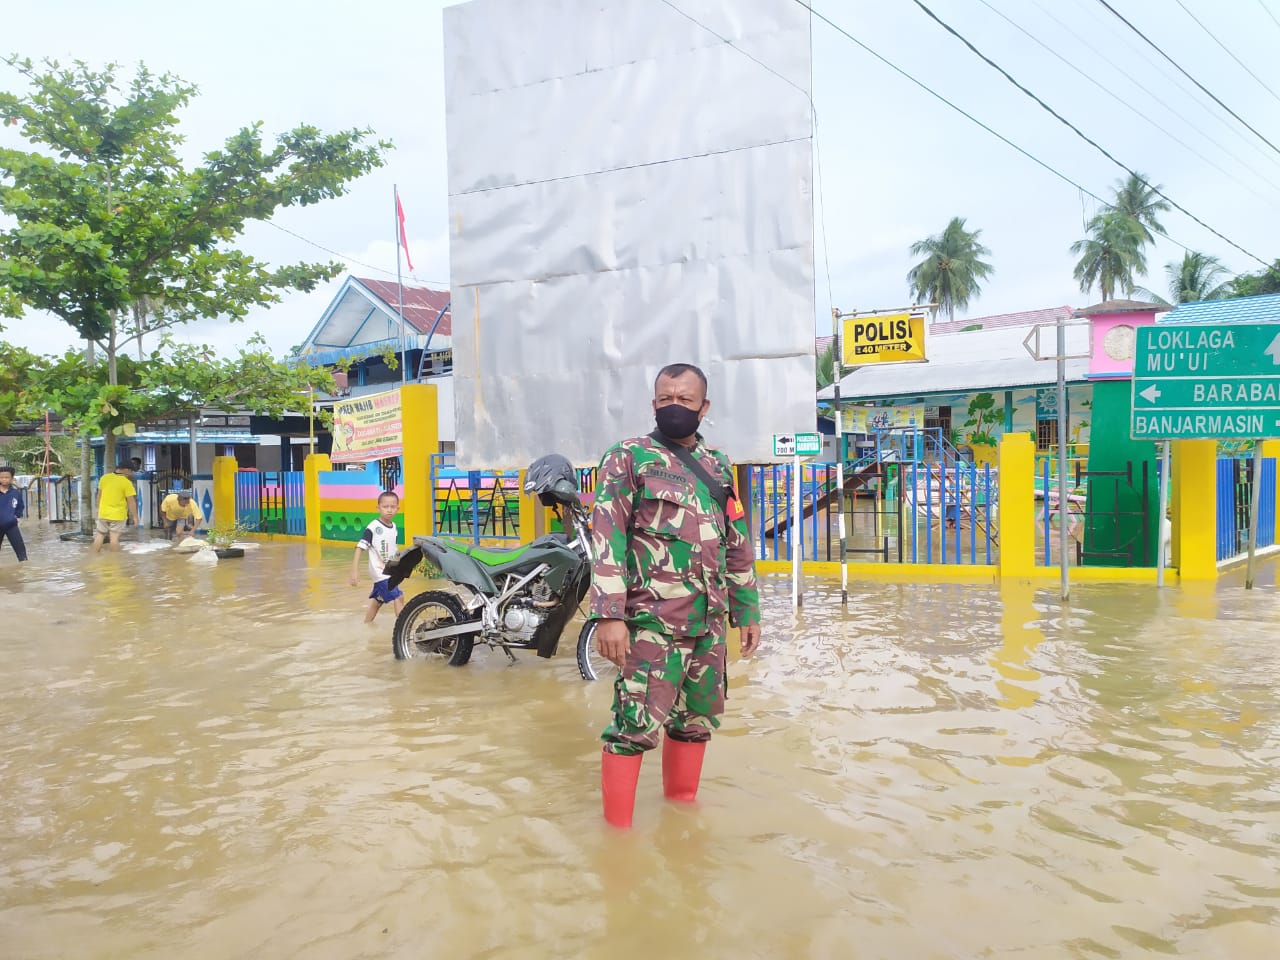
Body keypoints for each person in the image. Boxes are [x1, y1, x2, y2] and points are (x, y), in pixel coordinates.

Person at [589, 362, 762, 828]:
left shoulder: (718, 467)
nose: (674, 407)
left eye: (685, 400)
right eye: (665, 399)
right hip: (652, 624)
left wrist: (747, 610)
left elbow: (737, 544)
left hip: (708, 625)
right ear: (653, 404)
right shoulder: (628, 457)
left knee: (695, 725)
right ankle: (618, 842)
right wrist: (609, 616)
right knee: (632, 728)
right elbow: (608, 538)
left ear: (704, 407)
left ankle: (680, 821)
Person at [350, 490, 406, 623]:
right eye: (385, 507)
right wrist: (354, 572)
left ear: (398, 508)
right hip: (379, 572)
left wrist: (400, 567)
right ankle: (403, 630)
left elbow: (394, 548)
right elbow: (360, 548)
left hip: (389, 570)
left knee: (378, 601)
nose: (389, 510)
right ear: (378, 508)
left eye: (393, 507)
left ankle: (366, 625)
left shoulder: (394, 527)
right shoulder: (373, 527)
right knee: (399, 597)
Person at [92, 460, 140, 554]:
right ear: (126, 470)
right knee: (114, 538)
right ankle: (115, 561)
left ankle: (93, 558)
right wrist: (135, 517)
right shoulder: (126, 483)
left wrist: (98, 509)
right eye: (131, 471)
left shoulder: (104, 478)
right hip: (118, 515)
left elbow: (99, 496)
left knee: (100, 536)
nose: (131, 473)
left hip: (103, 513)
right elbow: (131, 502)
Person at [0, 465, 27, 563]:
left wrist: (16, 516)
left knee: (21, 552)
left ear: (11, 479)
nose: (4, 479)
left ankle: (24, 572)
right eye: (1, 477)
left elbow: (20, 506)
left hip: (11, 526)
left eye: (6, 477)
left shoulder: (15, 493)